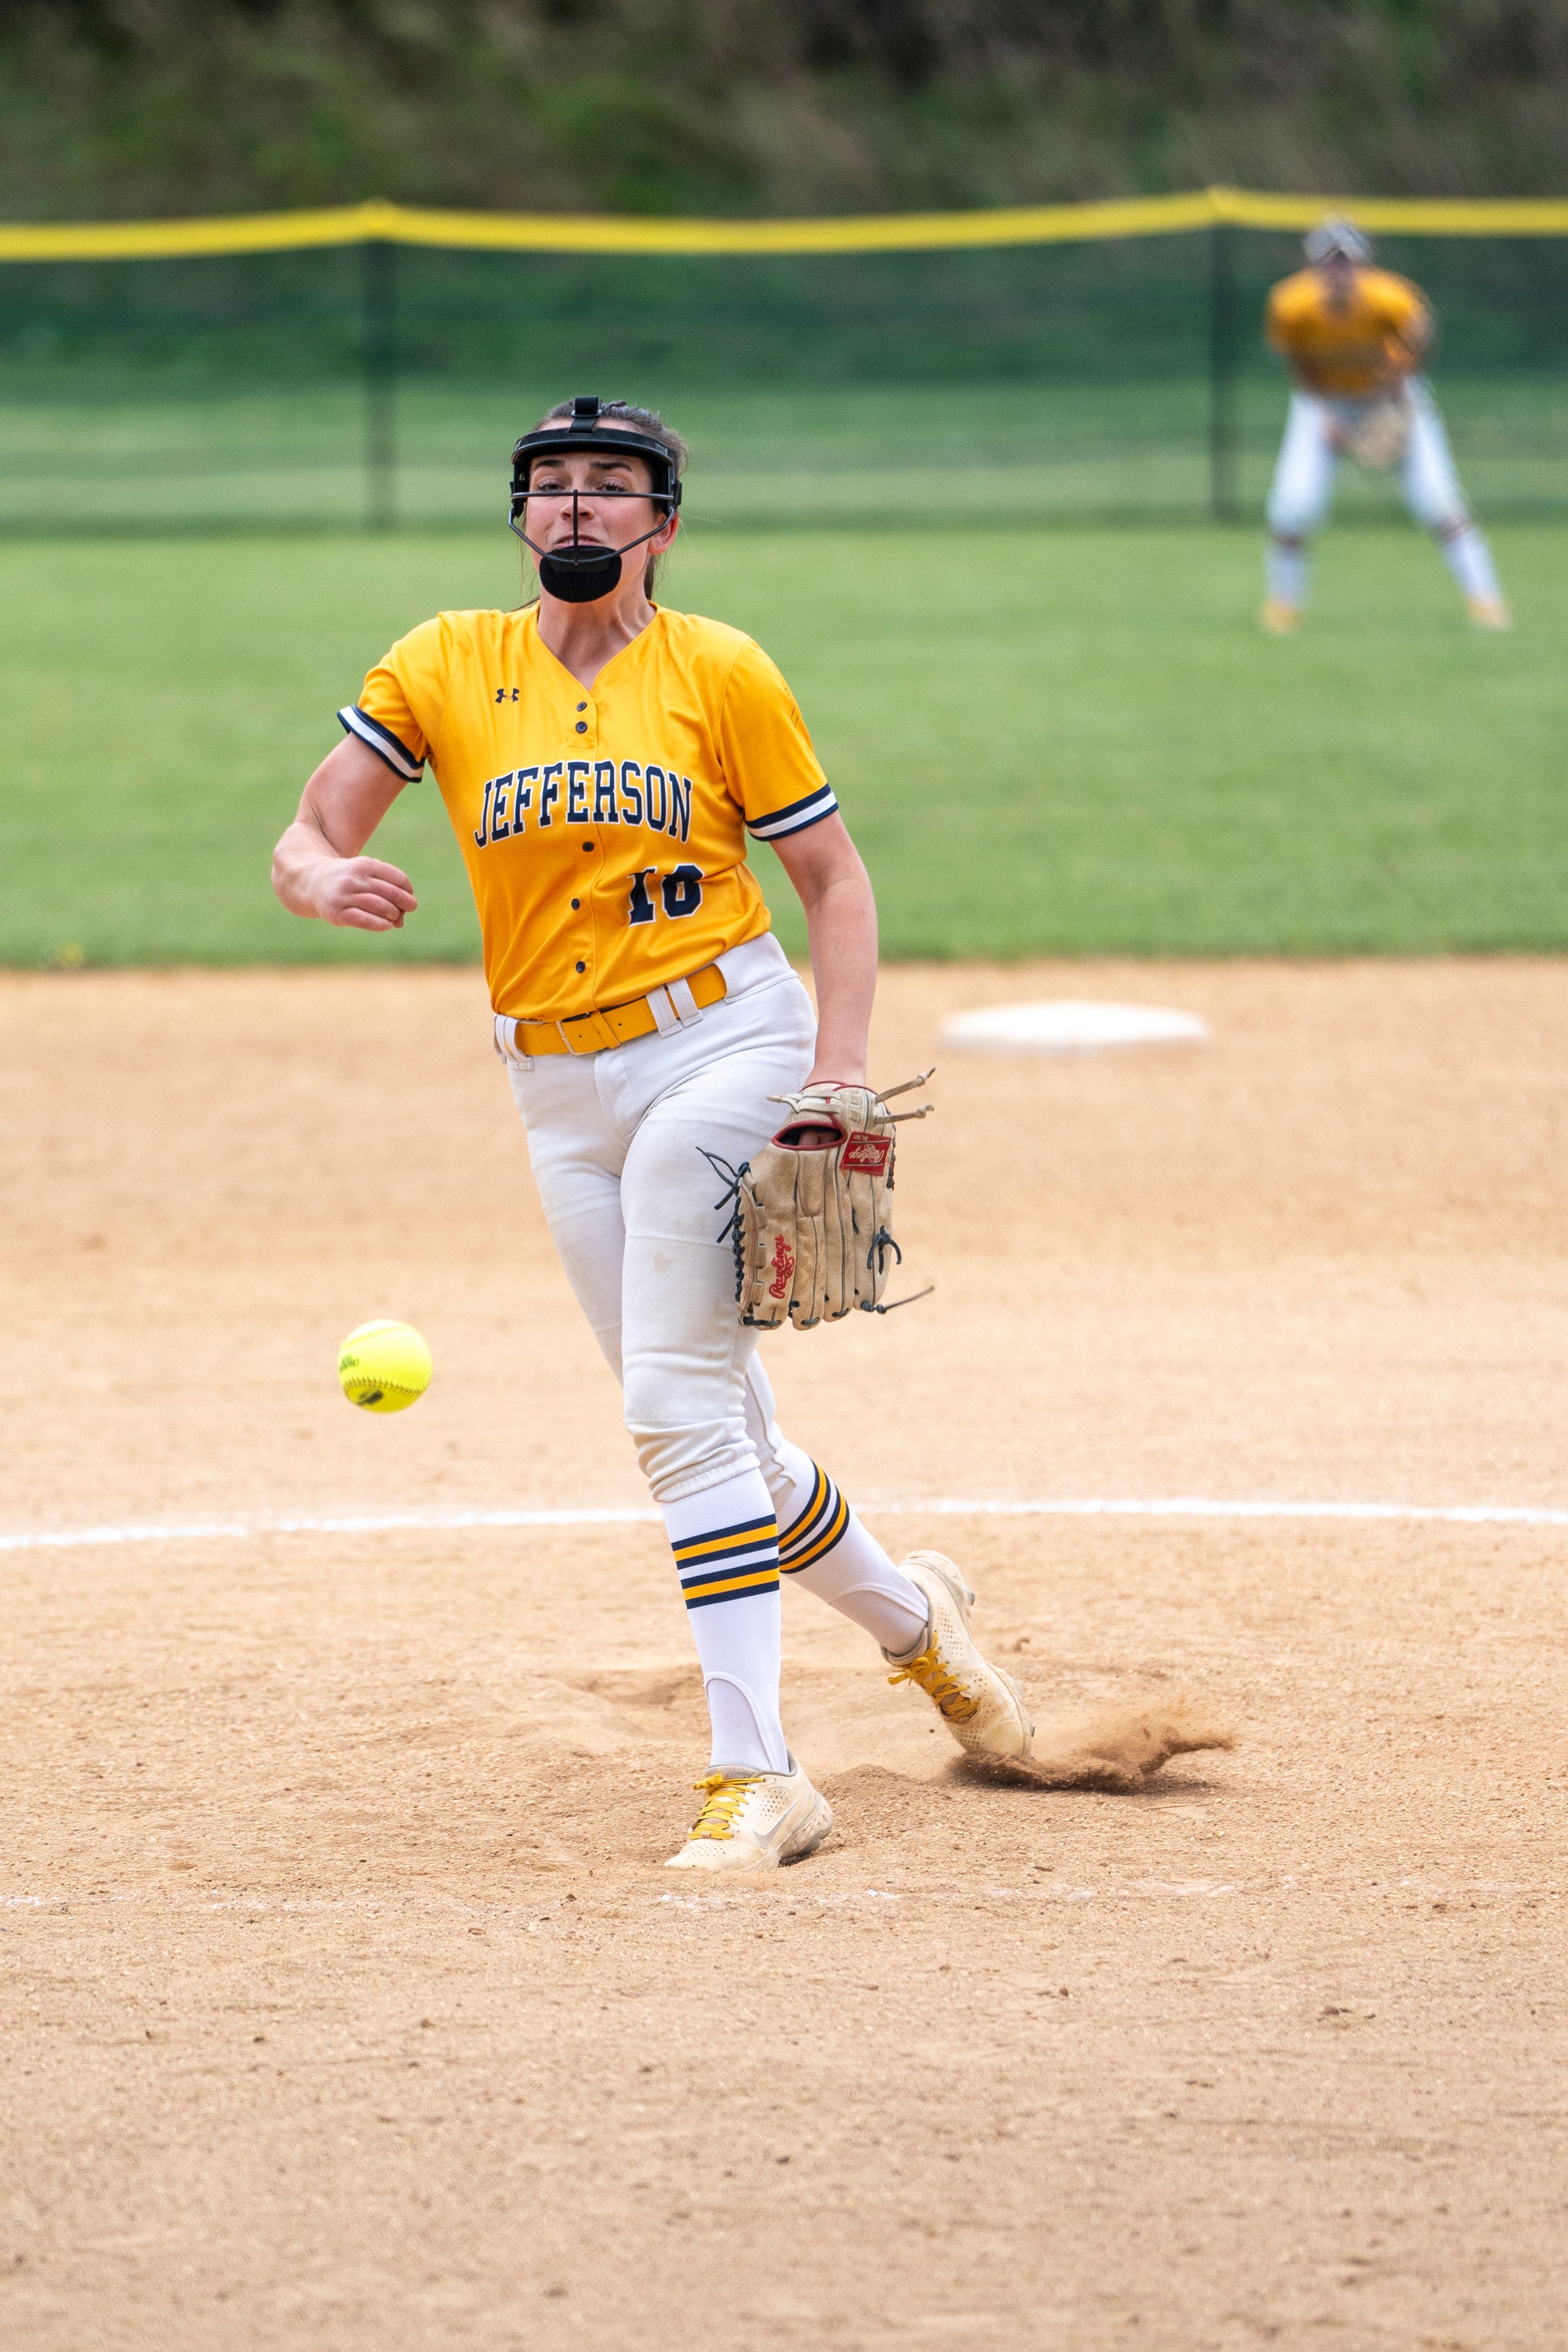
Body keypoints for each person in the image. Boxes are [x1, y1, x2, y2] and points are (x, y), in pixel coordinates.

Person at [271, 395, 1033, 1873]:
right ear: (518, 516)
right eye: (548, 485)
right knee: (724, 1427)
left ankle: (759, 1776)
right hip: (554, 1090)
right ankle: (919, 1624)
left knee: (676, 1412)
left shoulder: (719, 670)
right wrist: (318, 882)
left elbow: (834, 879)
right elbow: (314, 825)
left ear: (662, 523)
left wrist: (842, 1072)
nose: (574, 507)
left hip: (724, 1046)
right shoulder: (444, 663)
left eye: (608, 486)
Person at [1260, 218, 1508, 635]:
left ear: (1362, 265)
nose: (1337, 272)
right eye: (1328, 262)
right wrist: (1327, 416)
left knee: (1437, 498)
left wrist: (1393, 404)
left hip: (1393, 398)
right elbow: (1294, 359)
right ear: (1312, 266)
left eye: (1345, 262)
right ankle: (1283, 608)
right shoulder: (1291, 304)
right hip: (1325, 401)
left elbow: (1422, 334)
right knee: (1294, 504)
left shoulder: (1391, 297)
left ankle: (1486, 600)